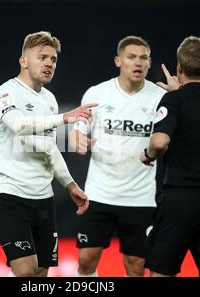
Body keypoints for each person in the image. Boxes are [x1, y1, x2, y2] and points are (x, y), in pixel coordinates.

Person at [0, 31, 94, 277]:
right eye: (42, 57)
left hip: (44, 198)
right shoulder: (5, 93)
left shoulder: (49, 99)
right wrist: (65, 118)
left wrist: (70, 185)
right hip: (11, 194)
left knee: (40, 273)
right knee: (25, 271)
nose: (49, 63)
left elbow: (49, 147)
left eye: (53, 59)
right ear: (23, 61)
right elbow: (19, 125)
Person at [69, 36, 166, 277]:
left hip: (139, 197)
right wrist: (77, 138)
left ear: (149, 62)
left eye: (143, 58)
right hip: (100, 192)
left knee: (136, 266)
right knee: (86, 260)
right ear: (118, 60)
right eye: (131, 57)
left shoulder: (160, 97)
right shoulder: (97, 93)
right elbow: (77, 130)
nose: (138, 63)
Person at [140, 36, 200, 277]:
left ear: (179, 68)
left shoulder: (173, 100)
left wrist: (147, 155)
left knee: (161, 272)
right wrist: (182, 92)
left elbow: (160, 142)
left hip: (179, 202)